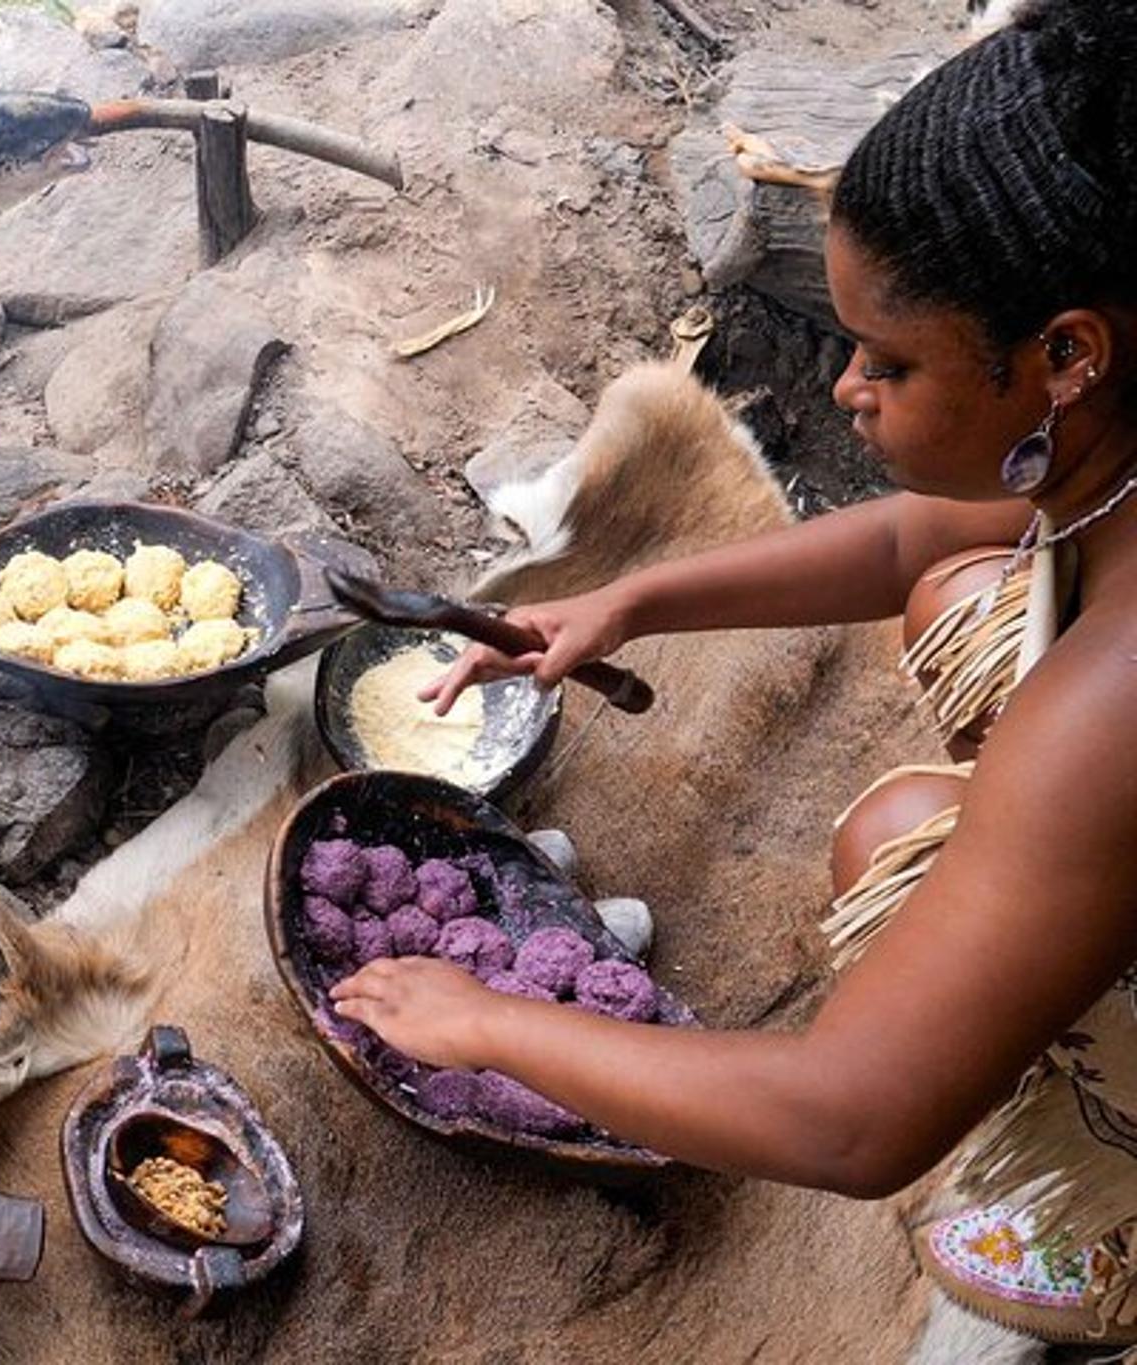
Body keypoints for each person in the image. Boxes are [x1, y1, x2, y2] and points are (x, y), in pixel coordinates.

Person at [331, 0, 1137, 1348]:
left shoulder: (1110, 708)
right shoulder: (1111, 436)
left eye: (892, 363)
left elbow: (853, 1119)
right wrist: (629, 600)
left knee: (914, 858)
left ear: (1066, 353)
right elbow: (910, 541)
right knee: (929, 704)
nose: (849, 393)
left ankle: (1118, 1222)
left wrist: (486, 1024)